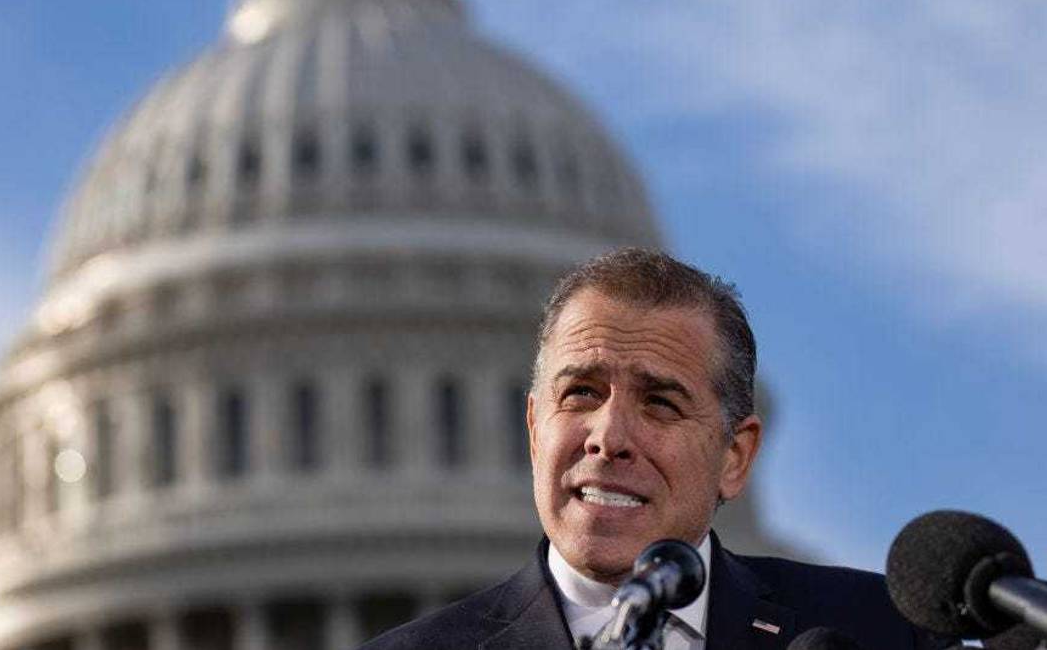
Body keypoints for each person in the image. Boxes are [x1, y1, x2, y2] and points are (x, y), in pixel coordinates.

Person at [360, 248, 948, 649]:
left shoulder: (876, 630)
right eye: (581, 393)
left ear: (735, 456)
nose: (609, 437)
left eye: (660, 403)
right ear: (536, 429)